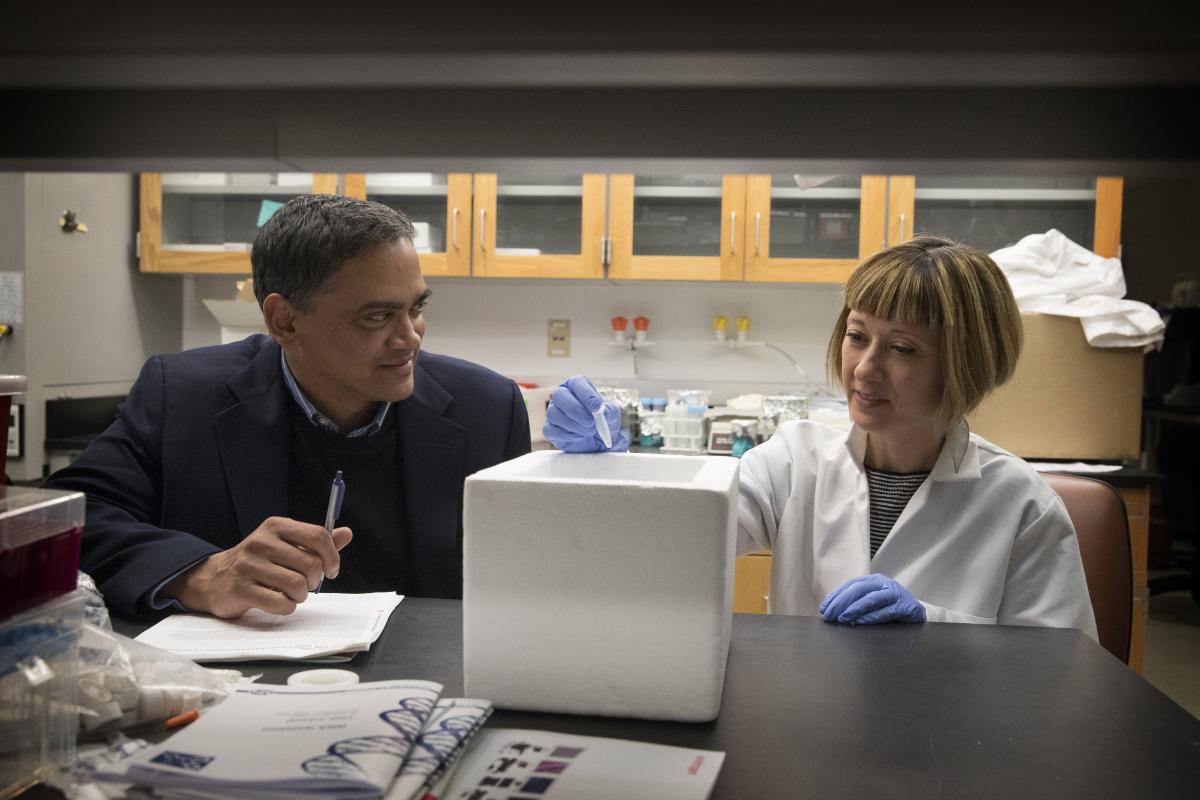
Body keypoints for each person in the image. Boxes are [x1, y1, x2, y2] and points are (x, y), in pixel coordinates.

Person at [545, 235, 1098, 639]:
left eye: (902, 348)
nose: (864, 368)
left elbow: (1062, 672)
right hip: (802, 723)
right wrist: (605, 469)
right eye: (858, 337)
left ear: (966, 364)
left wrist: (935, 626)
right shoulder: (796, 459)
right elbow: (675, 534)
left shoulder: (1023, 505)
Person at [46, 195, 531, 619]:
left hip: (428, 684)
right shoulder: (184, 396)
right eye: (378, 316)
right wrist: (199, 573)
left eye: (416, 308)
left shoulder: (486, 408)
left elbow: (532, 572)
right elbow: (66, 524)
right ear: (285, 322)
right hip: (238, 688)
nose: (409, 338)